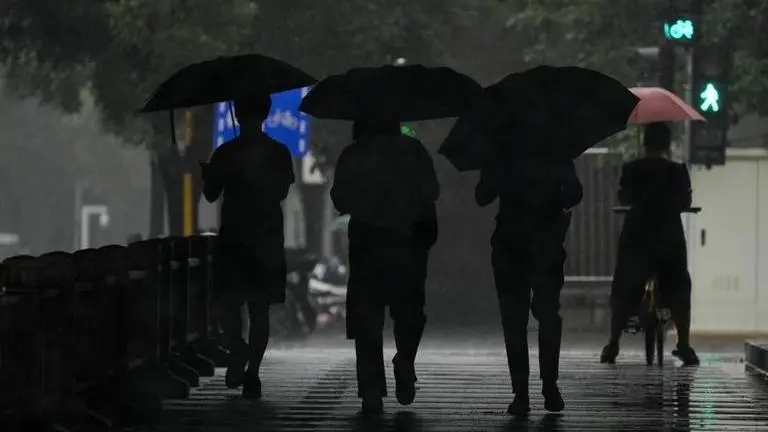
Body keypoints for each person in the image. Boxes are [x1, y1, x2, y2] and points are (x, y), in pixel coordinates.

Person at [331, 119, 439, 415]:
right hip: (408, 242)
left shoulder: (354, 154)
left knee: (367, 316)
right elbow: (432, 192)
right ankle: (404, 360)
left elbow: (338, 198)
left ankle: (371, 390)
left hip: (367, 242)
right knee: (409, 312)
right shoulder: (415, 151)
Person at [475, 133, 583, 418]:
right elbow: (575, 193)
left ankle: (521, 393)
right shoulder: (556, 150)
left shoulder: (501, 153)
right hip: (546, 242)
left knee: (514, 319)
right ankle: (550, 385)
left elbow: (482, 196)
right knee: (548, 314)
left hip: (510, 242)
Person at [200, 94, 295, 399]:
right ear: (265, 114)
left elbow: (212, 195)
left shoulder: (225, 153)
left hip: (234, 237)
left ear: (238, 115)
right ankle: (252, 372)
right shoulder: (279, 152)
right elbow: (281, 191)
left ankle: (238, 349)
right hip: (266, 237)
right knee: (259, 309)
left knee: (227, 303)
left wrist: (212, 177)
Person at [600, 122, 699, 366]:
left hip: (637, 237)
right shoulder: (677, 171)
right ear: (666, 144)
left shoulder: (632, 168)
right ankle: (684, 345)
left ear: (644, 143)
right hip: (668, 237)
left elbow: (624, 197)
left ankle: (612, 344)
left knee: (623, 284)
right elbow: (685, 200)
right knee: (679, 284)